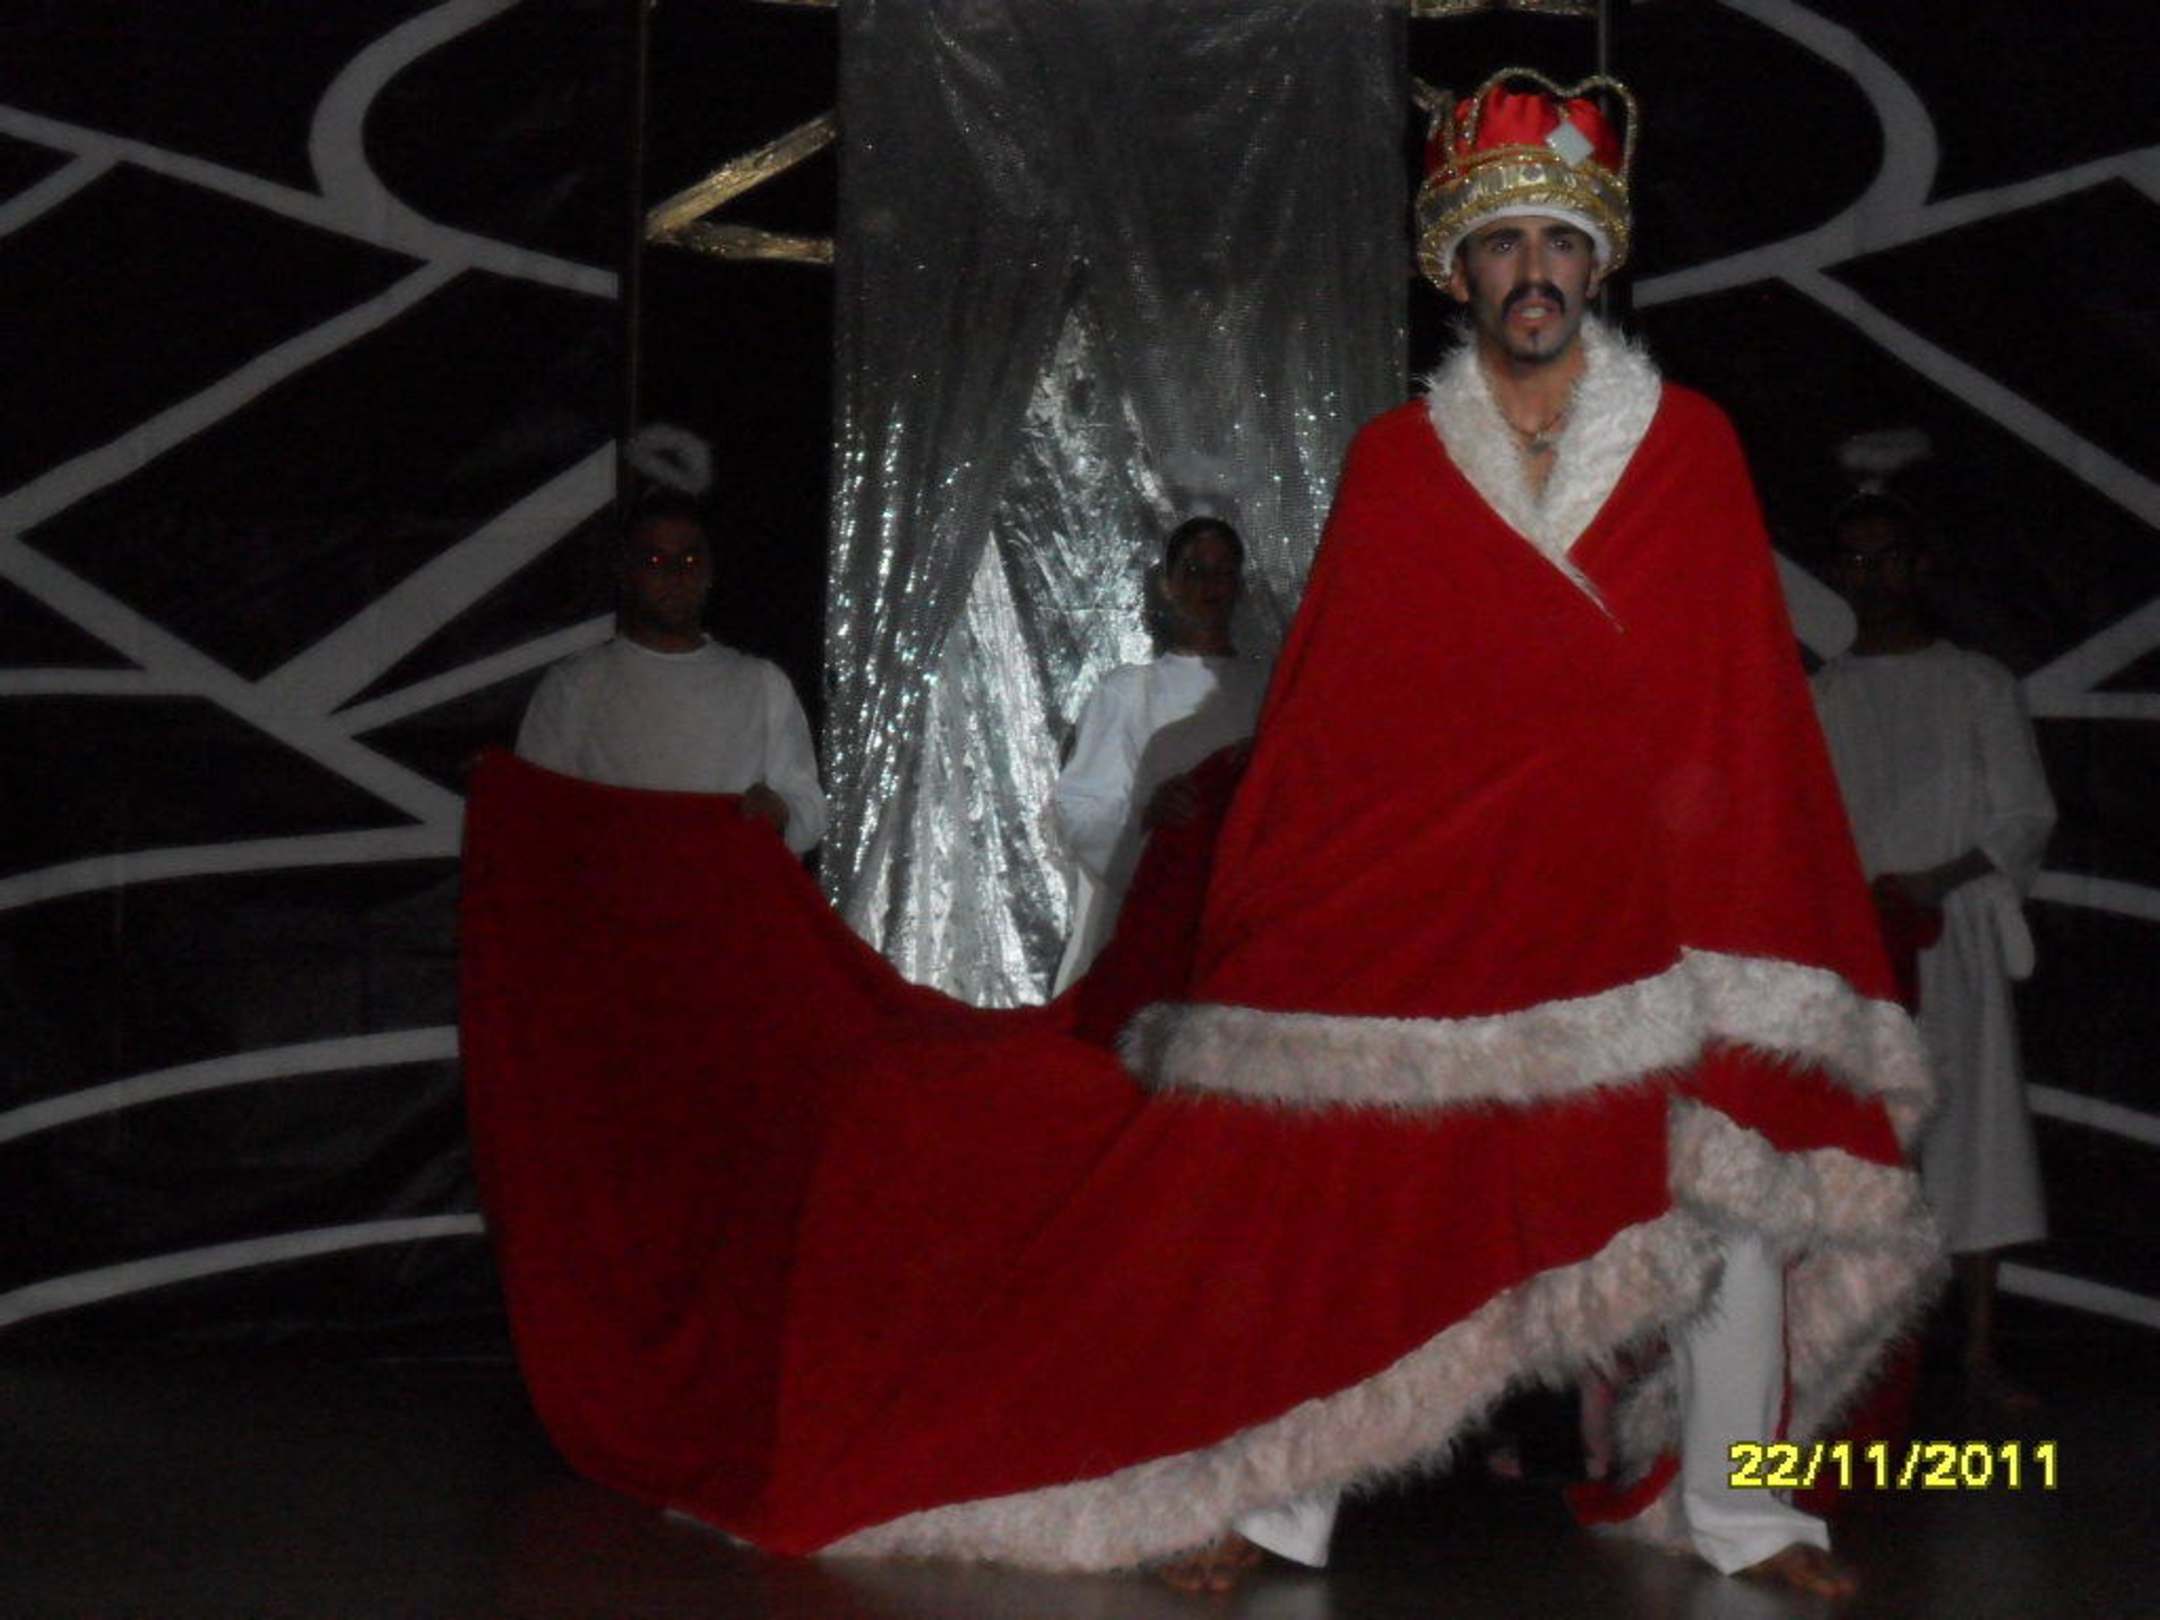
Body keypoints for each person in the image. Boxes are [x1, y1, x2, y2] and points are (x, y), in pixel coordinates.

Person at [1121, 70, 1938, 1599]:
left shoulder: (1690, 446)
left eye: (1563, 241)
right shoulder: (1397, 463)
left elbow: (1733, 707)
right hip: (1460, 896)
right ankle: (1279, 1509)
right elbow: (1347, 713)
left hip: (1662, 897)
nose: (1536, 271)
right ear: (1461, 271)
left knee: (1727, 1190)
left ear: (1598, 260)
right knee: (1369, 1195)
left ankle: (1745, 1512)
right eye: (1504, 244)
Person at [1812, 492, 2055, 1407]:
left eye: (1886, 559)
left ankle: (1979, 1353)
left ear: (1920, 566)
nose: (1871, 578)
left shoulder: (1977, 685)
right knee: (1863, 1146)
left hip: (1955, 942)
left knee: (1973, 1136)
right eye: (1855, 561)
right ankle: (1861, 1355)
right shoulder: (1823, 698)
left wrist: (1934, 882)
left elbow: (2023, 816)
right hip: (1853, 952)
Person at [516, 490, 827, 855]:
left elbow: (809, 809)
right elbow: (531, 813)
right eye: (655, 559)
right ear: (625, 572)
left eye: (690, 559)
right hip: (612, 889)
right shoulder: (572, 686)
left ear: (710, 572)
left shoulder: (761, 683)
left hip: (722, 889)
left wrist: (780, 812)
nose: (675, 574)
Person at [1049, 517, 1271, 993]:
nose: (1209, 585)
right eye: (1194, 570)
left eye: (1223, 572)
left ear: (1239, 586)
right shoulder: (1126, 692)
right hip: (1147, 922)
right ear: (1168, 585)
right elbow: (1082, 809)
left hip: (1242, 923)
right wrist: (1148, 824)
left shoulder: (1268, 690)